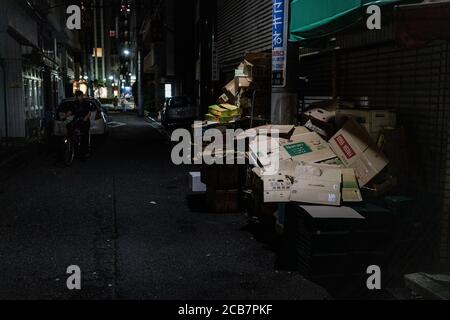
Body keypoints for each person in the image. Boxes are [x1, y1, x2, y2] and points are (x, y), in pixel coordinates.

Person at [70, 90, 94, 159]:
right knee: (70, 128)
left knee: (84, 136)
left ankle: (85, 152)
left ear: (81, 96)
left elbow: (89, 113)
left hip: (84, 121)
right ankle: (73, 147)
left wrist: (84, 119)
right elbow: (71, 111)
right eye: (77, 96)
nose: (78, 98)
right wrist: (66, 115)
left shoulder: (86, 103)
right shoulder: (75, 103)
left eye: (79, 96)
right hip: (77, 120)